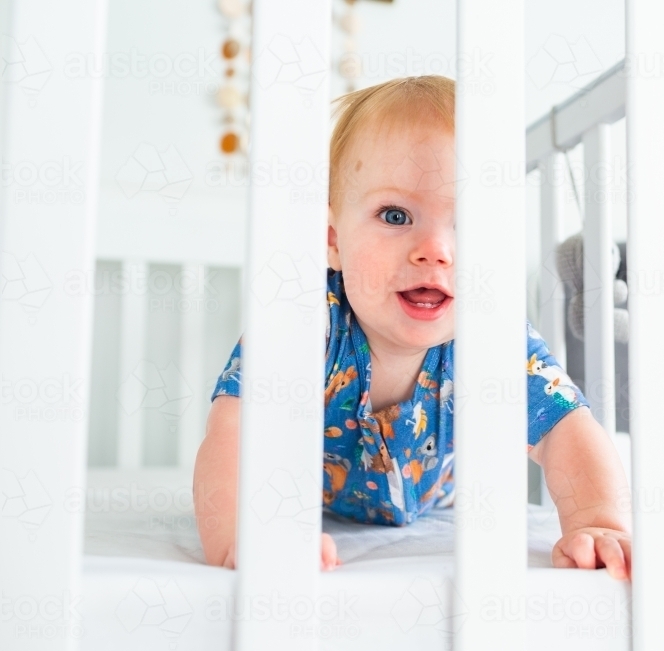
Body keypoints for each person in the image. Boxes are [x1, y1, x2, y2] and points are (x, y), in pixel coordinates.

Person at [193, 75, 632, 579]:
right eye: (396, 214)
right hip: (314, 491)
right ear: (333, 239)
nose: (435, 249)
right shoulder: (304, 319)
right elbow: (233, 429)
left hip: (438, 501)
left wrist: (599, 521)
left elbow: (566, 431)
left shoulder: (491, 336)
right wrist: (243, 532)